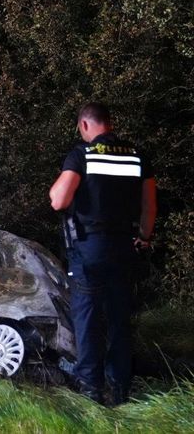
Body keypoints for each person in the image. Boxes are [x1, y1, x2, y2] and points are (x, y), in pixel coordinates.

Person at [49, 102, 157, 405]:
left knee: (88, 318)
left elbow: (59, 200)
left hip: (89, 249)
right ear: (109, 124)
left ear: (85, 126)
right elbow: (149, 207)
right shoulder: (137, 157)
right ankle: (121, 386)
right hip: (124, 247)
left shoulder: (82, 155)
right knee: (120, 318)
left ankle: (90, 387)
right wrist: (143, 238)